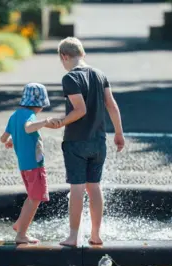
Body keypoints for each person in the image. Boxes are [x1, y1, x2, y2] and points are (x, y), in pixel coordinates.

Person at [53, 37, 125, 247]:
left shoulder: (70, 78)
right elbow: (111, 105)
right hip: (99, 141)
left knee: (77, 189)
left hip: (76, 141)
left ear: (64, 56)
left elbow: (80, 110)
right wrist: (119, 133)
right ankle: (95, 235)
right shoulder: (99, 74)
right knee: (94, 187)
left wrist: (60, 122)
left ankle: (74, 236)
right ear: (82, 54)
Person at [0, 82, 59, 244]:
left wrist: (12, 140)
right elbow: (28, 128)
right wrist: (45, 122)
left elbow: (3, 138)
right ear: (39, 104)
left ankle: (20, 223)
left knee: (32, 196)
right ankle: (21, 235)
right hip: (35, 165)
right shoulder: (30, 117)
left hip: (24, 166)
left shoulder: (14, 116)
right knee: (36, 198)